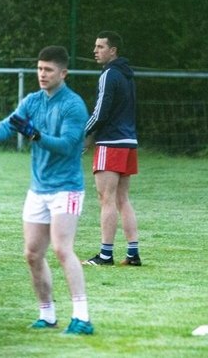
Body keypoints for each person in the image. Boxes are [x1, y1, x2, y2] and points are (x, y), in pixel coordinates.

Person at [0, 46, 94, 335]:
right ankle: (47, 315)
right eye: (39, 69)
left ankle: (82, 318)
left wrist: (36, 134)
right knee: (33, 253)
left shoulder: (74, 105)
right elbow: (9, 127)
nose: (42, 74)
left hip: (66, 189)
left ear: (63, 72)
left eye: (48, 70)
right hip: (38, 190)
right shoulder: (33, 101)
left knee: (62, 249)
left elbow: (68, 145)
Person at [82, 31, 142, 267]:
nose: (95, 51)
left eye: (100, 47)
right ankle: (133, 254)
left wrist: (82, 134)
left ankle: (105, 255)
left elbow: (100, 112)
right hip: (128, 142)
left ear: (113, 50)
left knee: (106, 199)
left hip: (111, 143)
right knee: (122, 199)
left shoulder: (109, 74)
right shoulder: (128, 75)